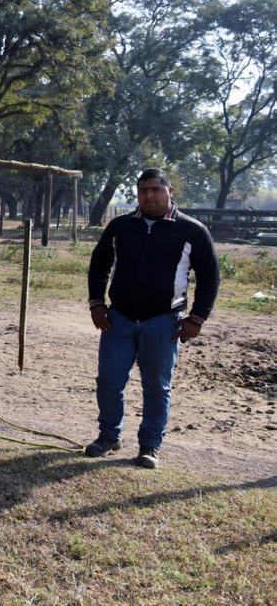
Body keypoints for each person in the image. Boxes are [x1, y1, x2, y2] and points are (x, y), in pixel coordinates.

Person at [86, 167, 219, 469]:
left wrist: (196, 319)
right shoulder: (120, 226)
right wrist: (96, 304)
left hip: (164, 322)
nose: (149, 196)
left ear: (170, 192)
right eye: (143, 190)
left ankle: (150, 446)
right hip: (118, 319)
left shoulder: (192, 231)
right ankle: (108, 436)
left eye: (156, 189)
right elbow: (99, 265)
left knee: (157, 386)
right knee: (108, 381)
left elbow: (210, 277)